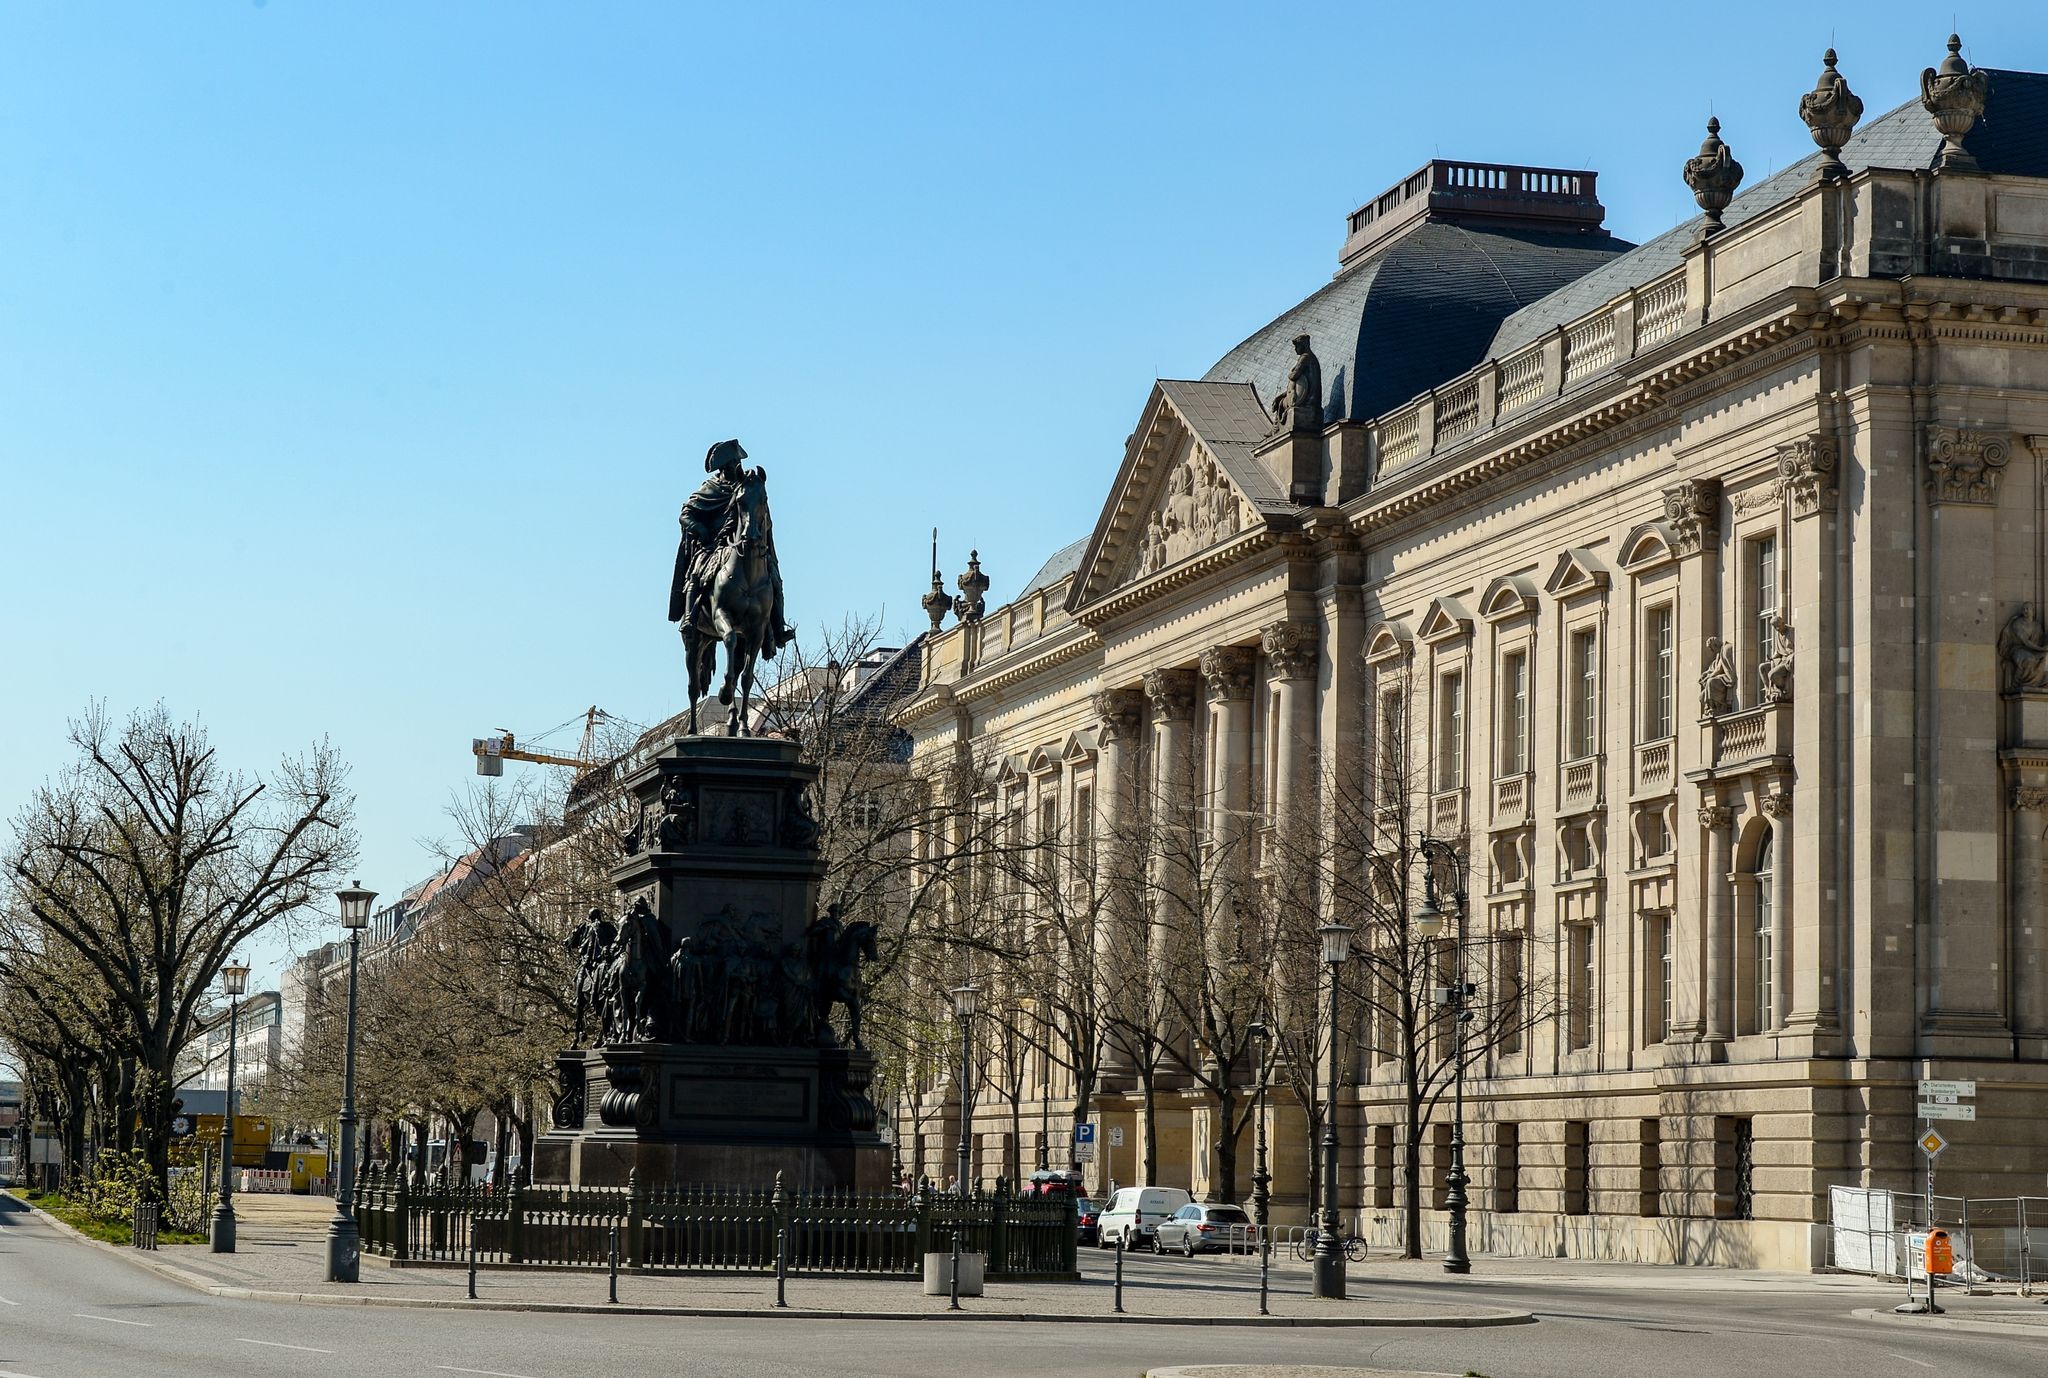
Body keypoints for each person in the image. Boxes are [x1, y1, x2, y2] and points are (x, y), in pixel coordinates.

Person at [667, 439, 795, 655]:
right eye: (733, 462)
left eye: (738, 461)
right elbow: (685, 515)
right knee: (696, 573)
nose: (738, 466)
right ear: (724, 466)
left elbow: (762, 515)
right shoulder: (712, 488)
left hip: (749, 543)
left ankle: (778, 627)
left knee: (774, 578)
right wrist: (702, 531)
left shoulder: (750, 486)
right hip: (714, 545)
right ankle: (690, 617)